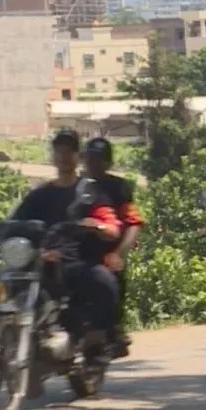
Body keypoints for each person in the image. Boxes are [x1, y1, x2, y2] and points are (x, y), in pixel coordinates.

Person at [0, 131, 122, 393]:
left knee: (103, 281)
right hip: (35, 263)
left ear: (77, 156)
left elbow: (110, 222)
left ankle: (94, 348)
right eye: (59, 150)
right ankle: (0, 342)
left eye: (69, 151)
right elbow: (16, 222)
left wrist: (100, 226)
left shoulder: (89, 193)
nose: (63, 156)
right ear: (52, 156)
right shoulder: (39, 195)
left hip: (71, 261)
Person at [82, 137, 144, 357]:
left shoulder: (118, 187)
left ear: (108, 163)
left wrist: (119, 253)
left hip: (107, 250)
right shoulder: (75, 185)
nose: (92, 164)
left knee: (113, 277)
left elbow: (133, 222)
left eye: (98, 159)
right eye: (89, 158)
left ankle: (114, 330)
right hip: (76, 250)